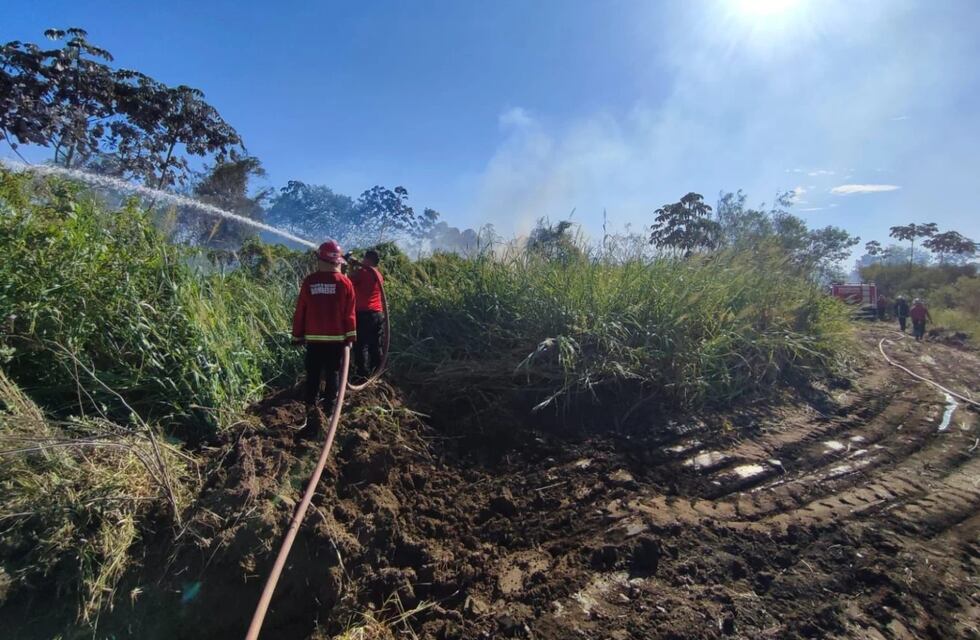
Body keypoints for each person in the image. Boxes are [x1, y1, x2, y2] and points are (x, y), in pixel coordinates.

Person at [291, 240, 357, 434]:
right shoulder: (345, 283)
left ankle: (310, 409)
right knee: (333, 374)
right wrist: (350, 338)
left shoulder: (310, 282)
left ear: (320, 260)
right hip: (337, 340)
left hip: (314, 340)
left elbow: (300, 311)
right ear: (337, 261)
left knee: (312, 374)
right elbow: (350, 314)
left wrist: (297, 336)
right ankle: (329, 410)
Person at [348, 249, 385, 378]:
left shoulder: (363, 272)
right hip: (377, 314)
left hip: (363, 314)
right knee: (375, 344)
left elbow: (349, 282)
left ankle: (362, 375)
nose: (362, 260)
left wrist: (351, 266)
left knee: (360, 345)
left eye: (364, 258)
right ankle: (378, 372)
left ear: (368, 260)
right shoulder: (378, 274)